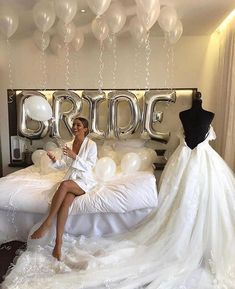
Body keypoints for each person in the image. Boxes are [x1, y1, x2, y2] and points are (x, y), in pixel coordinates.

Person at [31, 117, 97, 261]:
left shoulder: (91, 145)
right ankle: (58, 244)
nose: (75, 127)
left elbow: (89, 166)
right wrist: (55, 160)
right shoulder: (68, 144)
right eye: (73, 124)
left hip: (85, 181)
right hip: (72, 178)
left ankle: (47, 222)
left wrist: (75, 157)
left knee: (64, 184)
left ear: (85, 129)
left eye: (78, 125)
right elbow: (63, 166)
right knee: (65, 203)